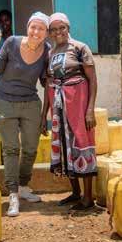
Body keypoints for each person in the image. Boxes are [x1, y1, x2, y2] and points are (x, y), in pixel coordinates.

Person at [0, 12, 50, 217]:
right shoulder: (11, 42)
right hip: (4, 101)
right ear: (27, 27)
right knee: (11, 149)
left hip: (30, 102)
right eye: (33, 27)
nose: (36, 32)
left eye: (41, 29)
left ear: (46, 33)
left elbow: (45, 81)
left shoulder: (47, 50)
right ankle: (13, 194)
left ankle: (23, 186)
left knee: (31, 148)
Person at [41, 12, 98, 210]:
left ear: (68, 28)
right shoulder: (50, 53)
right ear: (49, 33)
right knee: (65, 147)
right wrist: (43, 117)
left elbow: (92, 80)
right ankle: (75, 193)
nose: (58, 32)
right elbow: (49, 84)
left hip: (79, 106)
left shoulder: (81, 48)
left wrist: (90, 110)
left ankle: (88, 197)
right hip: (58, 108)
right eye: (54, 29)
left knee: (82, 143)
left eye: (61, 28)